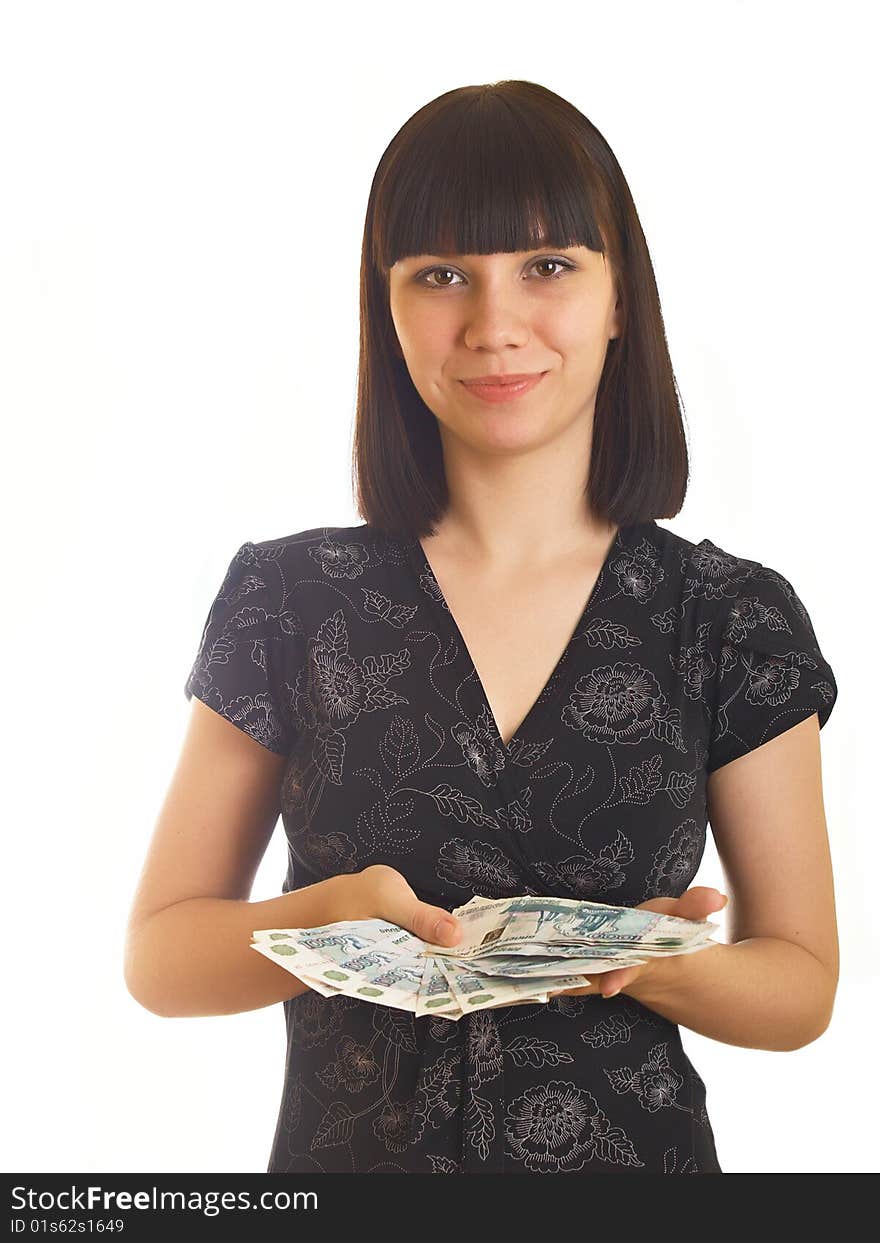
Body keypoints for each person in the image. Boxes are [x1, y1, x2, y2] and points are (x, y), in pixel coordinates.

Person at [123, 80, 839, 1174]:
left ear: (618, 299)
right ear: (388, 303)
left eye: (547, 266)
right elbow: (161, 957)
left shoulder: (728, 617)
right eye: (441, 274)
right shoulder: (290, 596)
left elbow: (799, 984)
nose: (494, 325)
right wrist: (334, 918)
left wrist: (642, 960)